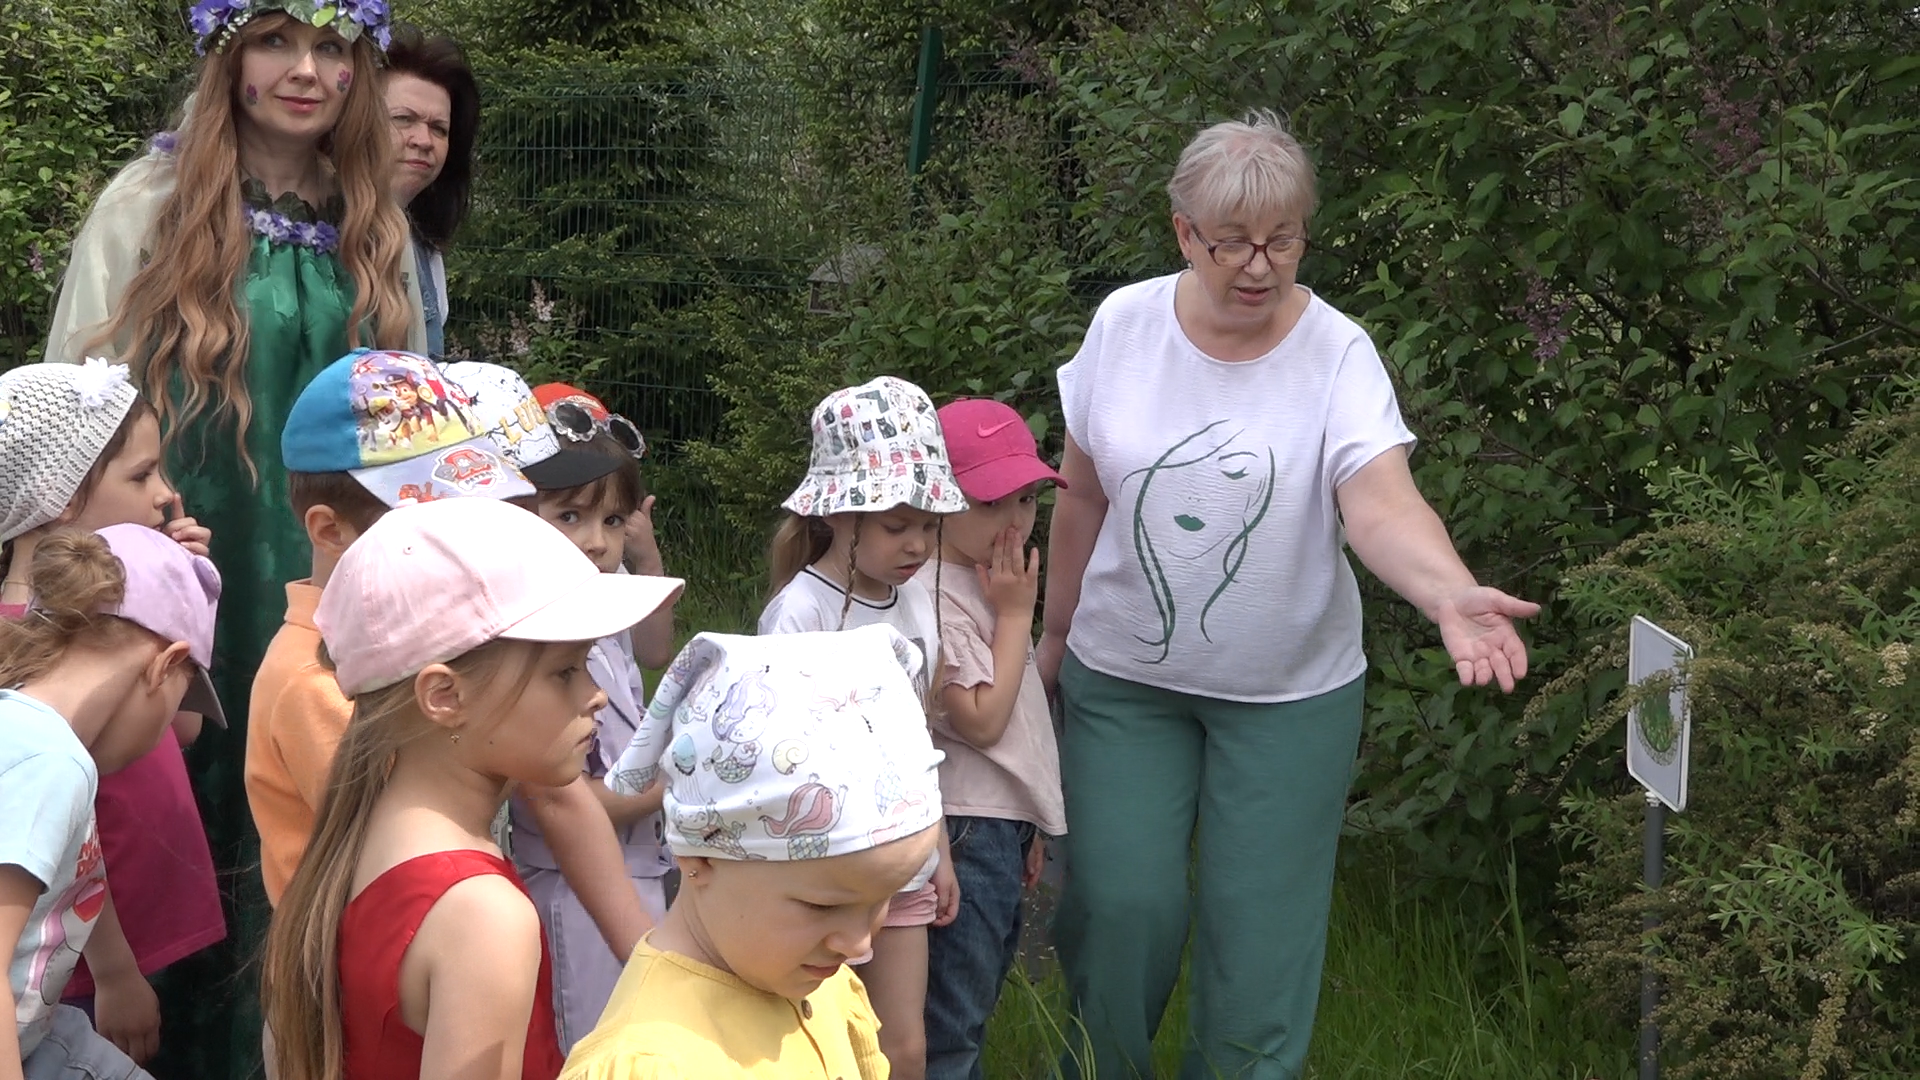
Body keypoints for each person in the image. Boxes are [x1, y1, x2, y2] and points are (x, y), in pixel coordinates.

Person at [1037, 110, 1541, 1080]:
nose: (1259, 266)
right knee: (1119, 906)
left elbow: (1381, 502)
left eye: (1282, 239)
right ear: (1184, 232)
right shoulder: (1125, 327)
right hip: (1125, 680)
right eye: (1232, 243)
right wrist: (1054, 643)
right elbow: (1084, 496)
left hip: (1289, 699)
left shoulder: (1336, 353)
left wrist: (1448, 593)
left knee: (1258, 944)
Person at [44, 3, 422, 1064]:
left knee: (319, 784)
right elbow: (81, 414)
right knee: (173, 780)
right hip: (181, 557)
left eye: (331, 50)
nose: (304, 71)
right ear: (228, 56)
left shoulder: (373, 219)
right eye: (273, 42)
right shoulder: (149, 203)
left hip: (332, 567)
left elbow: (413, 424)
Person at [248, 351, 656, 996]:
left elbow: (559, 792)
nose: (469, 535)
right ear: (329, 529)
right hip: (360, 997)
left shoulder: (444, 634)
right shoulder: (317, 683)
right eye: (431, 521)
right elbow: (384, 877)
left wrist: (646, 957)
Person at [260, 497, 684, 1080]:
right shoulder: (484, 915)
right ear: (444, 697)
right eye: (564, 671)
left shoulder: (365, 840)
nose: (596, 695)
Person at [560, 624, 947, 1079]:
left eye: (883, 900)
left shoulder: (817, 983)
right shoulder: (655, 1062)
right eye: (823, 906)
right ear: (701, 854)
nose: (860, 945)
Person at [447, 365, 680, 1050]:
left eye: (612, 520)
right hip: (576, 887)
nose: (595, 541)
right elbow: (562, 797)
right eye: (570, 516)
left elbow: (657, 646)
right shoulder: (527, 637)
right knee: (596, 1044)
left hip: (635, 870)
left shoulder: (598, 600)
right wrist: (677, 786)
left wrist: (646, 550)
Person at [0, 361, 226, 1067]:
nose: (165, 497)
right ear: (61, 499)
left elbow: (181, 727)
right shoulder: (47, 744)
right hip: (72, 961)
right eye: (141, 476)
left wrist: (179, 588)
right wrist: (119, 970)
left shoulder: (93, 644)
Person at [760, 375, 965, 1080]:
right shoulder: (799, 611)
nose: (916, 544)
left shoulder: (913, 604)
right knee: (818, 1037)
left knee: (901, 1047)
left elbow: (917, 735)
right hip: (824, 861)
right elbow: (780, 747)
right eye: (896, 524)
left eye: (928, 526)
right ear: (841, 515)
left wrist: (937, 845)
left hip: (903, 856)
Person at [913, 398, 1066, 1080]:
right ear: (936, 501)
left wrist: (1027, 822)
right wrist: (1014, 616)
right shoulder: (933, 592)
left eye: (1028, 500)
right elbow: (980, 720)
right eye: (992, 502)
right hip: (962, 826)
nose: (1016, 522)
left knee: (970, 1007)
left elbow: (1017, 724)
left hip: (994, 824)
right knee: (949, 1025)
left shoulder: (980, 580)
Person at [384, 27, 481, 358]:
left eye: (439, 129)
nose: (423, 141)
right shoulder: (317, 239)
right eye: (403, 119)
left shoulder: (427, 251)